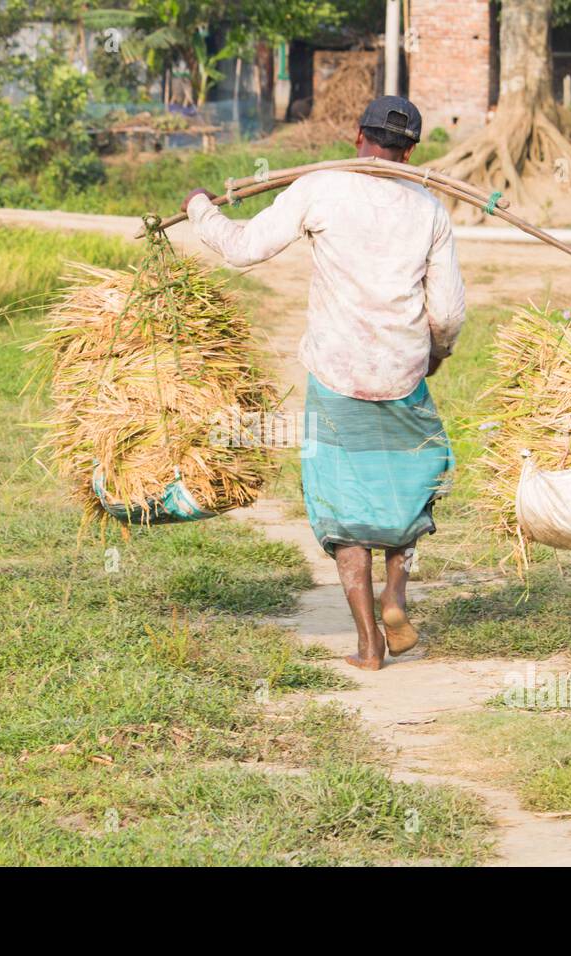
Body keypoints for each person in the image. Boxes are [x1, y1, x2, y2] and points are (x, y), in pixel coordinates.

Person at [180, 96, 466, 671]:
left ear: (357, 138)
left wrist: (199, 210)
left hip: (337, 377)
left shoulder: (322, 187)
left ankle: (367, 644)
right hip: (403, 375)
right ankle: (397, 596)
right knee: (406, 491)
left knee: (343, 507)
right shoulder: (429, 207)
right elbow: (448, 310)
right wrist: (433, 355)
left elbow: (244, 248)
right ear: (411, 151)